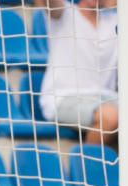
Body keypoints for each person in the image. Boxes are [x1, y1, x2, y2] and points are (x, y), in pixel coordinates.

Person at [37, 0, 118, 147]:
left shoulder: (114, 19)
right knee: (110, 116)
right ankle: (87, 168)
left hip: (106, 96)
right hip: (64, 96)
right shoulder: (65, 12)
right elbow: (49, 4)